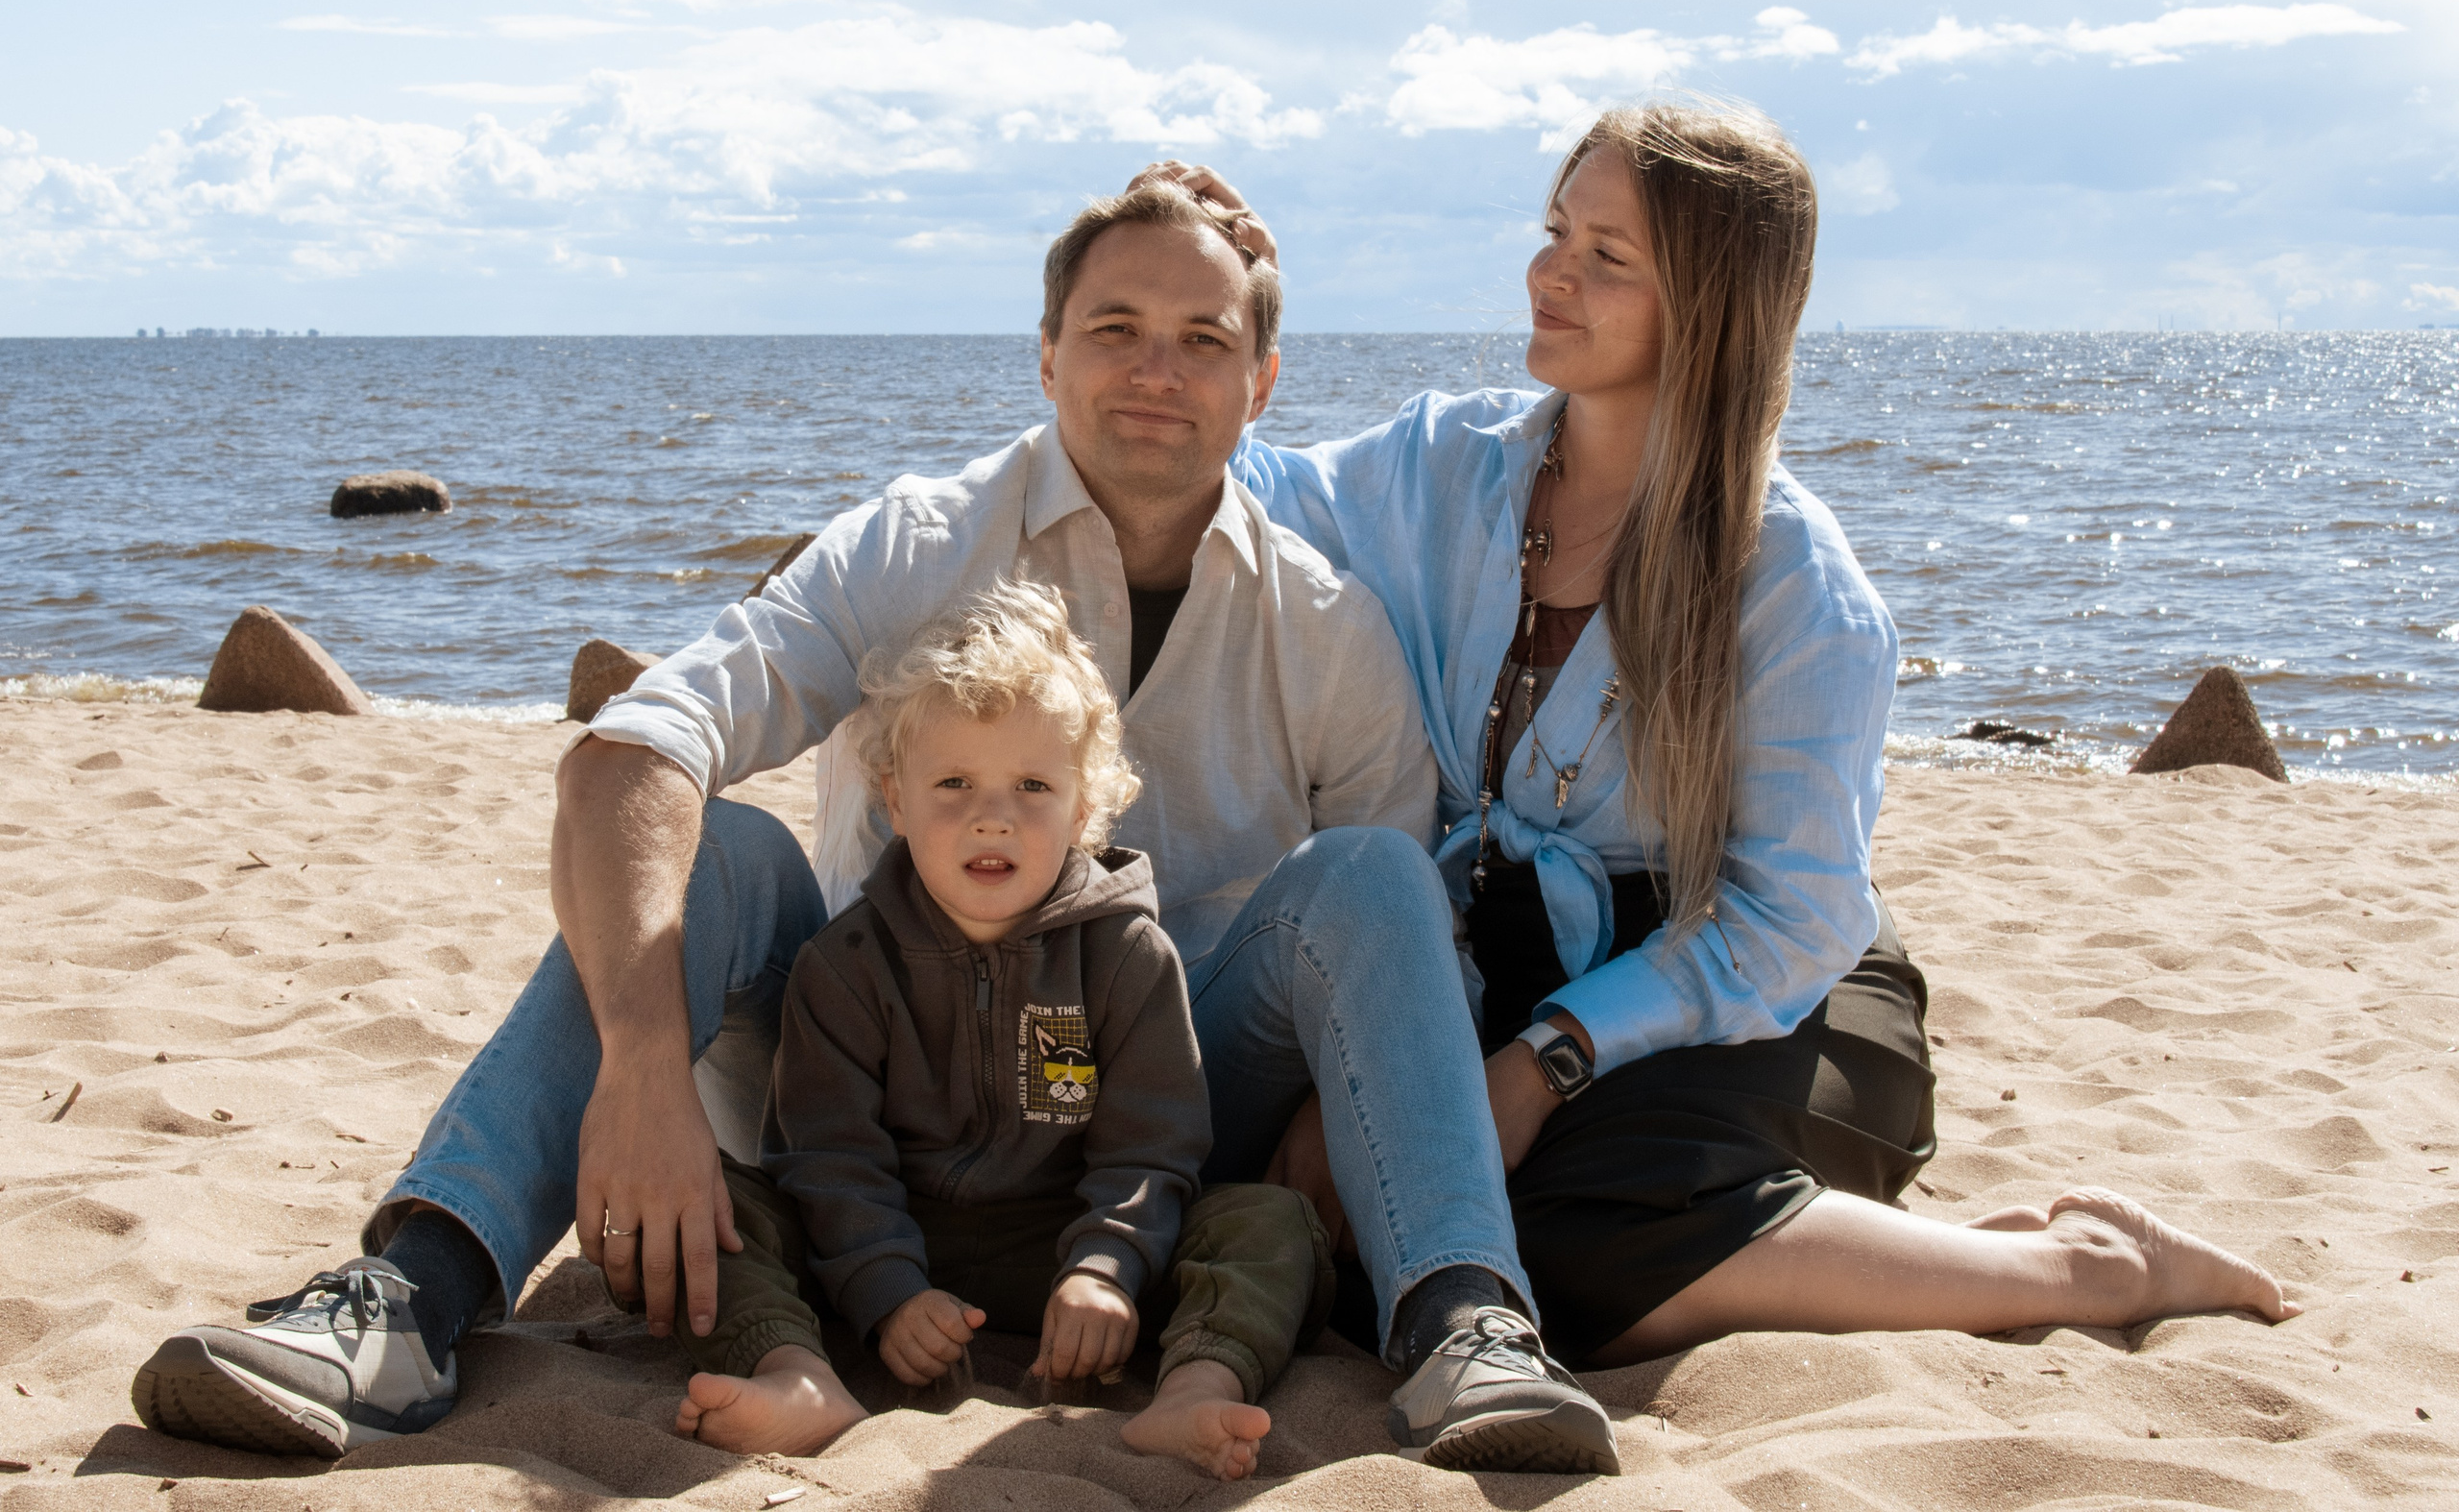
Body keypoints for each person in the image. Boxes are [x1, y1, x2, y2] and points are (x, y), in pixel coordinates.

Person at [133, 176, 1618, 1475]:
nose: (1157, 369)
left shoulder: (1327, 624)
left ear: (1264, 383)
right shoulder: (916, 542)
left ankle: (1465, 1326)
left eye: (1203, 338)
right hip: (867, 1087)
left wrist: (1322, 1125)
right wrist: (646, 1069)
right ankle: (411, 1294)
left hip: (1155, 1119)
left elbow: (1394, 940)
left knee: (1373, 873)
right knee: (723, 845)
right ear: (1046, 353)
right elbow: (630, 752)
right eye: (1114, 327)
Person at [1173, 100, 2295, 1364]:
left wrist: (1542, 1062)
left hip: (1755, 993)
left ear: (1710, 304)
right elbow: (1227, 484)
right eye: (1554, 232)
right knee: (1410, 1217)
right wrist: (1227, 303)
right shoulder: (1446, 462)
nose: (1551, 273)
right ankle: (1845, 1245)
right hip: (1504, 968)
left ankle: (2086, 1267)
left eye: (1607, 256)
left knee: (1558, 1245)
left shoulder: (1798, 587)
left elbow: (1790, 921)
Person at [669, 577, 1330, 1482]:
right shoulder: (846, 964)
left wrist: (1105, 1268)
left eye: (1032, 785)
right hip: (887, 1235)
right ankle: (799, 1376)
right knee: (717, 1206)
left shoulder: (1128, 956)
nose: (992, 815)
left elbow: (1153, 1148)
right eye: (953, 783)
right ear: (894, 801)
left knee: (1270, 1223)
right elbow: (828, 1158)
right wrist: (888, 1292)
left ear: (1082, 809)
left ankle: (1192, 1389)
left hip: (1059, 1243)